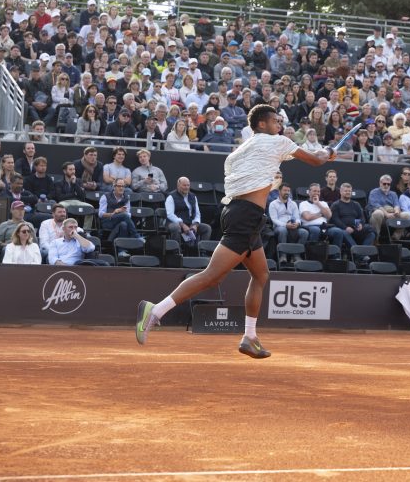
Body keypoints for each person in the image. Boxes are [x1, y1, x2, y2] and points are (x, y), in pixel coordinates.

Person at [136, 104, 335, 358]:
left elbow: (250, 178)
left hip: (239, 213)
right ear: (262, 124)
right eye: (275, 121)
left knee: (261, 275)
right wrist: (328, 152)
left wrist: (271, 178)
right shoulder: (277, 142)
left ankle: (250, 337)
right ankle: (155, 311)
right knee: (212, 276)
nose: (280, 125)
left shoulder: (239, 152)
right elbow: (316, 159)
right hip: (245, 217)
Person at [327, 182, 376, 250]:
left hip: (356, 229)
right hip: (343, 229)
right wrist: (345, 227)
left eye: (349, 191)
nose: (348, 192)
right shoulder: (335, 205)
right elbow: (335, 219)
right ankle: (358, 253)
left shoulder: (356, 204)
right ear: (340, 192)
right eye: (346, 191)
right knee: (343, 232)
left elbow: (361, 217)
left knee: (371, 234)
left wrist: (360, 224)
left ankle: (362, 253)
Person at [165, 177, 212, 245]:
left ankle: (202, 251)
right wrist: (182, 225)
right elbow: (170, 215)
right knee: (176, 227)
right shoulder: (171, 197)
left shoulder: (193, 196)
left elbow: (197, 213)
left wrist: (195, 225)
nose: (186, 187)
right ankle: (176, 251)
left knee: (207, 228)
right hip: (173, 223)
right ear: (178, 185)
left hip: (190, 223)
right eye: (184, 185)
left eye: (188, 185)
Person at [99, 178, 141, 252]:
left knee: (123, 224)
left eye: (123, 186)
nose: (121, 188)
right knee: (124, 216)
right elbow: (101, 214)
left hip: (120, 221)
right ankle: (136, 236)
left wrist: (120, 213)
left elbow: (129, 214)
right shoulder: (105, 196)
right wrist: (114, 213)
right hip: (108, 221)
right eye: (119, 186)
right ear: (114, 186)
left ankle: (121, 251)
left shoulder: (126, 198)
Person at [268, 182, 308, 252]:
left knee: (304, 232)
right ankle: (283, 255)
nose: (287, 192)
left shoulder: (293, 203)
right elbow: (274, 219)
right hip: (279, 227)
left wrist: (297, 224)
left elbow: (297, 218)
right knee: (283, 231)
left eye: (288, 191)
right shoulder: (273, 204)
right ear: (279, 191)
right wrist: (285, 225)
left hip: (293, 226)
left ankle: (296, 254)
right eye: (285, 190)